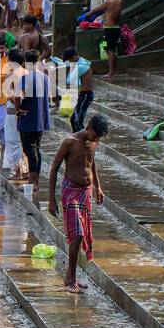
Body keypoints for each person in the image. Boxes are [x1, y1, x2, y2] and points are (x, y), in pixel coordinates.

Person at [48, 115, 108, 293]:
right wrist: (51, 199)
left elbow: (92, 162)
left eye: (98, 138)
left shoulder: (94, 141)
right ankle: (70, 277)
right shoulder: (70, 142)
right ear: (87, 127)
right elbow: (54, 169)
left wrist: (98, 186)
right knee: (78, 234)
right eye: (95, 136)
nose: (96, 140)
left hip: (86, 192)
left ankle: (71, 277)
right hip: (71, 191)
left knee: (81, 233)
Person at [15, 50, 54, 191]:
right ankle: (35, 183)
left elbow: (17, 97)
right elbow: (49, 98)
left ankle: (32, 184)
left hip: (28, 118)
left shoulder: (25, 78)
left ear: (26, 62)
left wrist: (18, 109)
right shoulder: (45, 77)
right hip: (41, 118)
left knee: (29, 150)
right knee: (36, 149)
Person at [62, 47, 94, 133]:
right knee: (73, 119)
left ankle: (85, 140)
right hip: (84, 94)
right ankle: (77, 139)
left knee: (77, 121)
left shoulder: (80, 66)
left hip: (86, 95)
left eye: (70, 60)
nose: (70, 62)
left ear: (75, 56)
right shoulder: (82, 62)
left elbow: (69, 80)